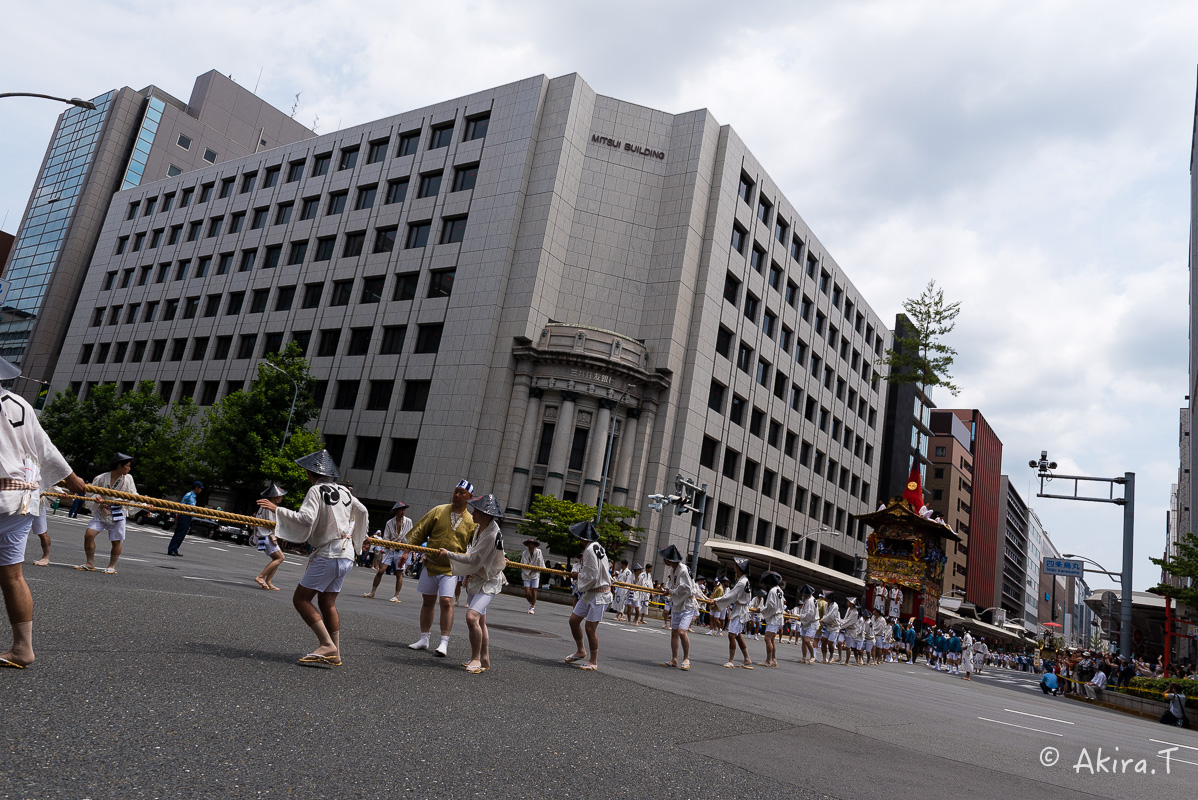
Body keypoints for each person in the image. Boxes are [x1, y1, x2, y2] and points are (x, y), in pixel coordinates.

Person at [0, 354, 87, 668]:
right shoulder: (19, 403)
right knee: (12, 576)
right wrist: (74, 480)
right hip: (23, 498)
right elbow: (44, 447)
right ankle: (23, 648)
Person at [258, 449, 366, 666]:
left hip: (329, 553)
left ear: (311, 473)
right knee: (327, 602)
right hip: (346, 554)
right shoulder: (345, 492)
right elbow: (362, 511)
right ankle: (335, 652)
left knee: (301, 599)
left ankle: (326, 644)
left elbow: (306, 519)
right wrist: (358, 540)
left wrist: (277, 510)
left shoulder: (316, 490)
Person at [406, 480, 477, 657]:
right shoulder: (439, 510)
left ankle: (444, 641)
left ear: (470, 497)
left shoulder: (472, 521)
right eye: (455, 491)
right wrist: (406, 550)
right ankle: (424, 638)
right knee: (428, 601)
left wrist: (475, 566)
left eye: (462, 493)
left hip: (451, 568)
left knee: (446, 602)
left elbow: (476, 546)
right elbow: (420, 531)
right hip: (430, 563)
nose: (457, 495)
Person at [440, 494, 507, 674]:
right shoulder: (483, 528)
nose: (473, 513)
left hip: (489, 581)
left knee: (472, 617)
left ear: (486, 514)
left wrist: (448, 554)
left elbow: (473, 558)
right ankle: (483, 658)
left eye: (476, 511)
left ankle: (476, 658)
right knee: (481, 620)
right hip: (478, 577)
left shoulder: (491, 534)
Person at [563, 521, 612, 671]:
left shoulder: (590, 550)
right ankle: (581, 650)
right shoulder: (596, 546)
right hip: (591, 592)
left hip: (600, 593)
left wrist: (578, 575)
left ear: (582, 537)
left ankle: (594, 660)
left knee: (590, 628)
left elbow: (592, 575)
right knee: (574, 620)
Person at [77, 453, 136, 574]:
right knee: (89, 534)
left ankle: (112, 566)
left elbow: (134, 495)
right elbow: (91, 492)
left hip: (118, 512)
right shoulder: (102, 478)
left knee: (116, 541)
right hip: (103, 510)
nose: (129, 469)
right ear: (119, 465)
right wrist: (97, 498)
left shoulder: (128, 478)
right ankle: (90, 562)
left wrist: (146, 504)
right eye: (127, 466)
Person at [658, 544, 705, 670]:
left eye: (665, 558)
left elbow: (687, 589)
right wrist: (668, 589)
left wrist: (670, 592)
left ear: (670, 559)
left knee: (682, 631)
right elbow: (673, 584)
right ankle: (674, 659)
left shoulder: (683, 570)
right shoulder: (673, 569)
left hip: (688, 604)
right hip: (677, 604)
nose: (664, 560)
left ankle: (686, 658)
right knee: (674, 632)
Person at [364, 501, 411, 601]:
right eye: (401, 510)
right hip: (391, 549)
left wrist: (405, 547)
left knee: (399, 573)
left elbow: (411, 537)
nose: (403, 512)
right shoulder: (390, 523)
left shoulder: (408, 521)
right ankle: (372, 592)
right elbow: (386, 538)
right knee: (381, 570)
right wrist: (389, 544)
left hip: (402, 550)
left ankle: (396, 595)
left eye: (404, 510)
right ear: (396, 511)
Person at [712, 557, 754, 669]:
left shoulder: (742, 582)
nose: (734, 568)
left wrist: (716, 600)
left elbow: (731, 595)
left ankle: (731, 660)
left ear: (739, 568)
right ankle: (747, 659)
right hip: (740, 608)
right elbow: (732, 595)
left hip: (740, 610)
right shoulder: (743, 580)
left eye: (736, 566)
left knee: (732, 635)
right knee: (738, 635)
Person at [253, 482, 287, 590]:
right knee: (280, 557)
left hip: (264, 535)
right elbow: (269, 523)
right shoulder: (268, 507)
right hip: (266, 535)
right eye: (280, 495)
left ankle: (268, 581)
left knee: (276, 558)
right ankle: (261, 577)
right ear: (274, 496)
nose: (281, 497)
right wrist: (273, 536)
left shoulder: (269, 506)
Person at [166, 480, 203, 556]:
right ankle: (171, 549)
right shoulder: (188, 495)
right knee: (179, 533)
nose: (201, 490)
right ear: (196, 488)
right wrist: (177, 516)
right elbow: (181, 506)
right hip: (184, 516)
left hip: (189, 517)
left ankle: (175, 549)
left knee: (182, 534)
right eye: (200, 488)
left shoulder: (194, 497)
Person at [760, 570, 785, 668]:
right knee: (772, 639)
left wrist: (762, 610)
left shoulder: (772, 591)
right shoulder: (779, 590)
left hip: (774, 616)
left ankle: (768, 660)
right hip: (778, 616)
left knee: (767, 638)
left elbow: (771, 606)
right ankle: (774, 660)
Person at [520, 537, 547, 614]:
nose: (531, 545)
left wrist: (539, 569)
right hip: (526, 573)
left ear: (535, 545)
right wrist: (529, 569)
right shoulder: (524, 553)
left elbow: (540, 562)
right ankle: (531, 603)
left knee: (534, 590)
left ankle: (532, 606)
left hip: (535, 573)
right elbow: (523, 564)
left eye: (532, 544)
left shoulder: (538, 552)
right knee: (527, 592)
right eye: (529, 544)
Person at [796, 585, 819, 664]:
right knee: (803, 640)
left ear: (806, 594)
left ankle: (812, 656)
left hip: (812, 622)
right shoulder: (807, 599)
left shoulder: (810, 601)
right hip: (806, 622)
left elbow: (809, 614)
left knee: (807, 640)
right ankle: (804, 658)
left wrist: (800, 616)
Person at [819, 594, 841, 664]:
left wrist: (823, 620)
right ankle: (824, 658)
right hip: (828, 625)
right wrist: (823, 621)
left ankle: (831, 657)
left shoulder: (835, 605)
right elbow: (826, 614)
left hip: (834, 626)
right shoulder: (826, 604)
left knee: (830, 643)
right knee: (823, 640)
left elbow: (831, 616)